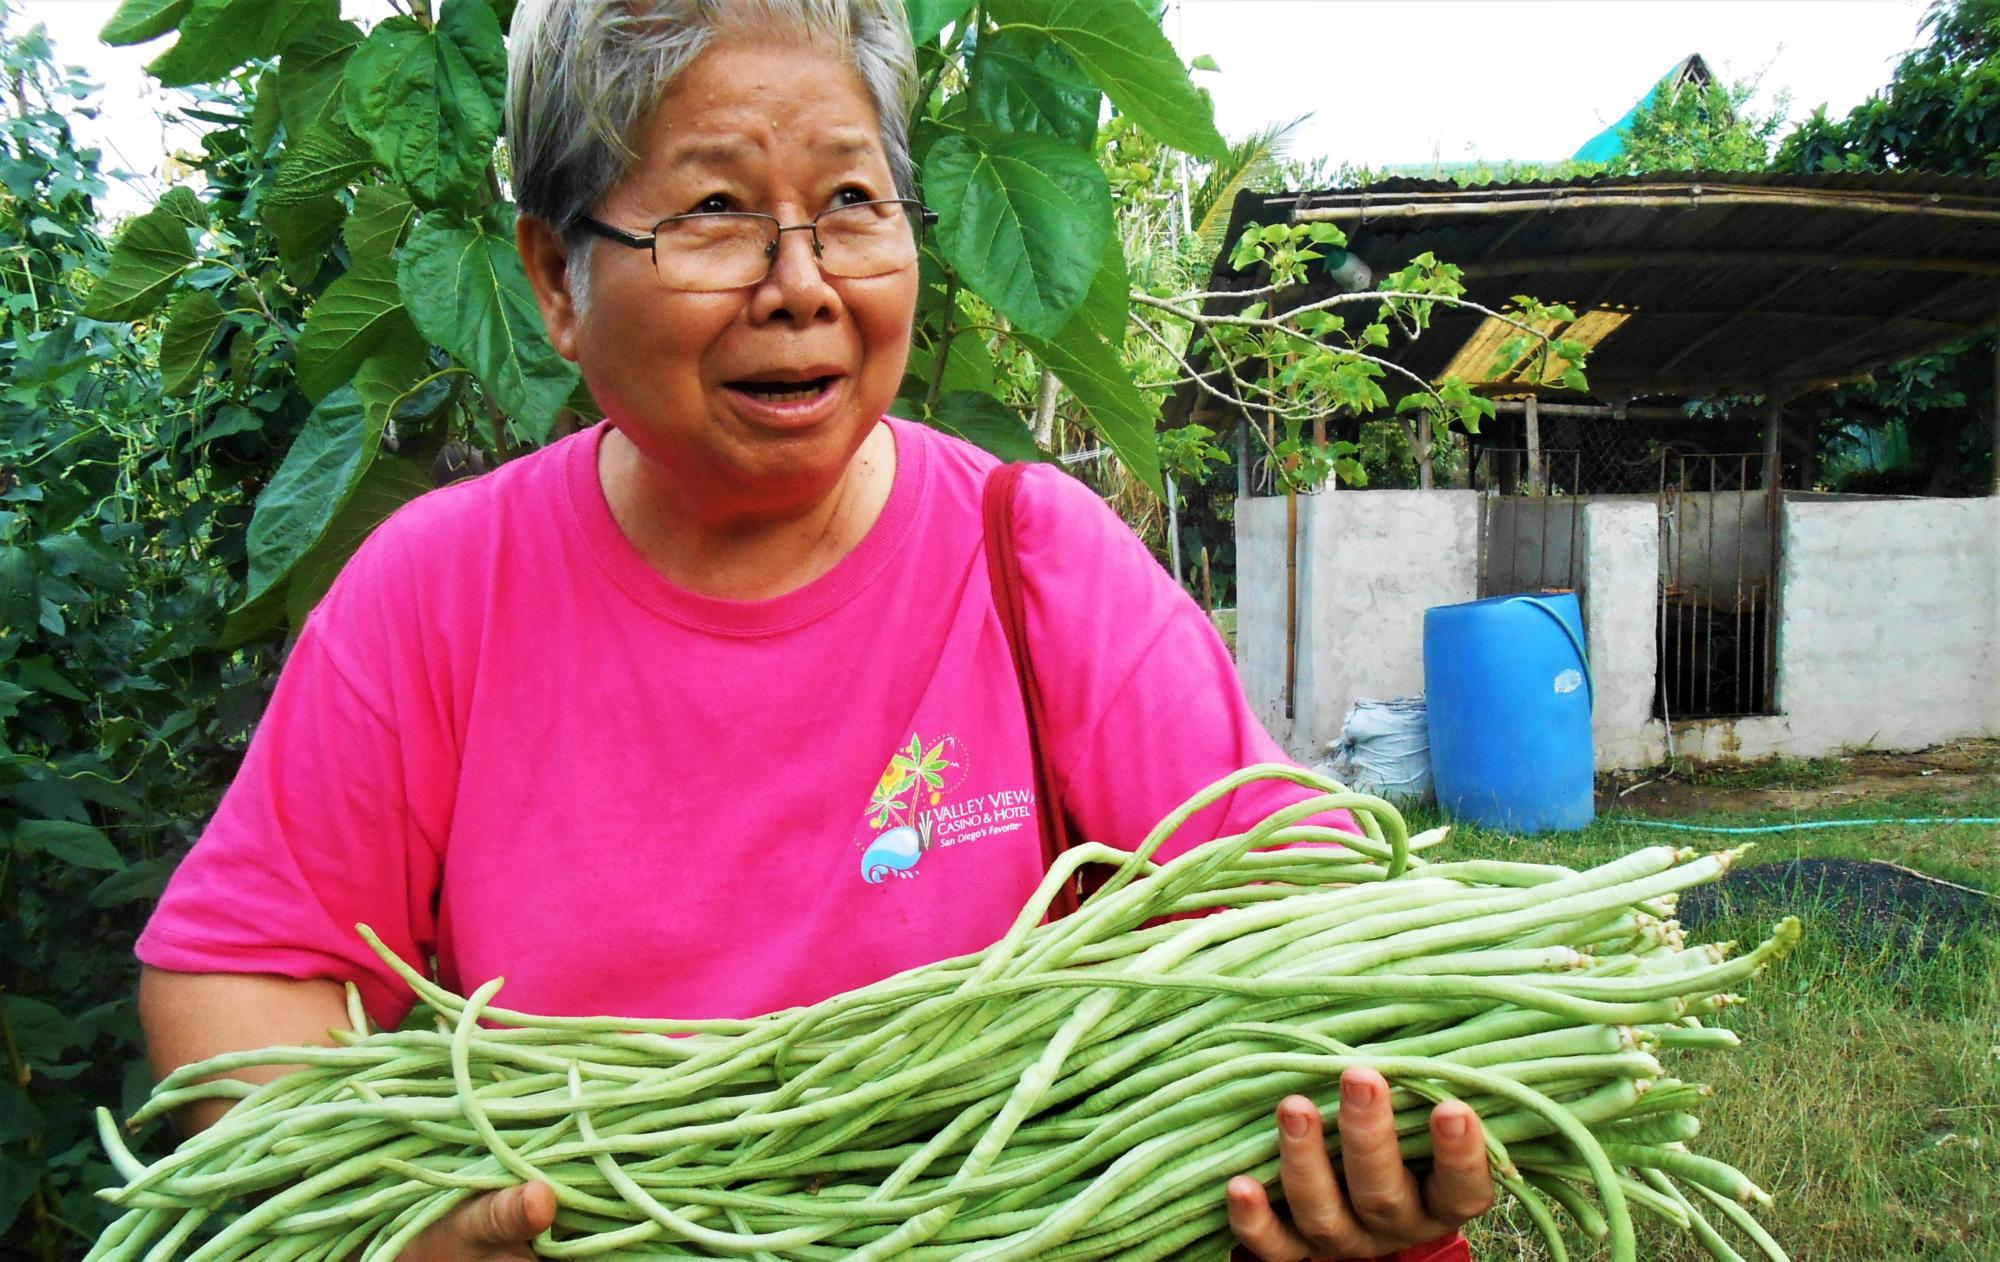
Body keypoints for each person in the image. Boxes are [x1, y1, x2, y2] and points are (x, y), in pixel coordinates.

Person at [134, 3, 1491, 1260]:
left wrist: (1364, 1135)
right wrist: (403, 1217)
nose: (800, 282)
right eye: (714, 210)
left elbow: (1307, 944)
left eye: (851, 202)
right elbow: (239, 975)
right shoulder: (439, 591)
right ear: (555, 278)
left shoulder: (1032, 562)